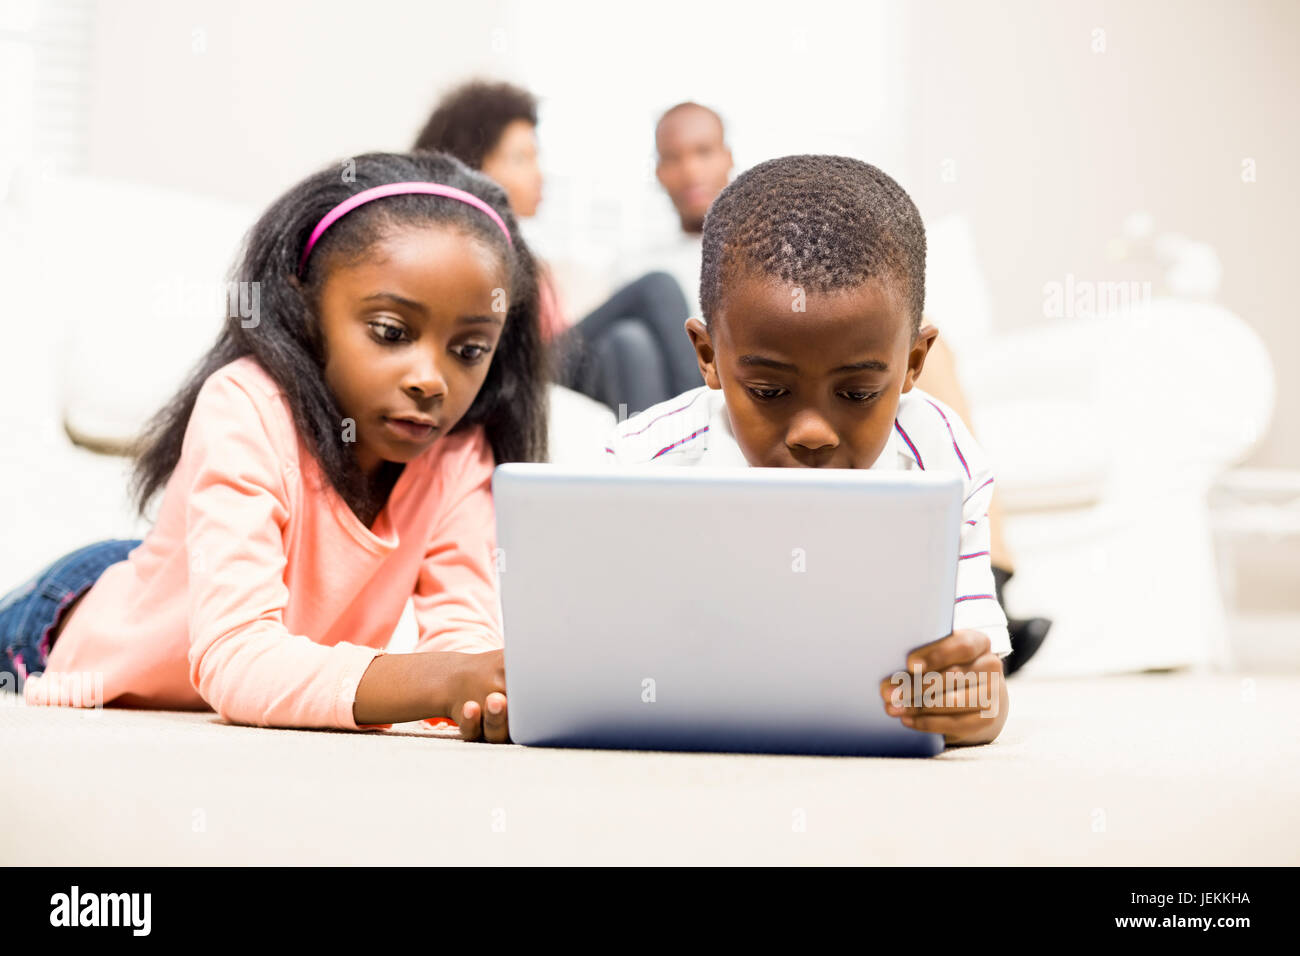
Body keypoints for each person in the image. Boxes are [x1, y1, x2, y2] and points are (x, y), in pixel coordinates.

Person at [1, 151, 548, 741]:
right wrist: (442, 681)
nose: (430, 379)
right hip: (61, 625)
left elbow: (464, 636)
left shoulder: (458, 454)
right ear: (305, 304)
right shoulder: (245, 404)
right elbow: (235, 658)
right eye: (391, 332)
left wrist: (483, 691)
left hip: (193, 574)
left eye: (468, 350)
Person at [603, 155, 1010, 746]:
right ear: (708, 355)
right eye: (769, 391)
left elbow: (980, 673)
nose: (812, 433)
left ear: (913, 365)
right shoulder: (641, 462)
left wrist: (979, 706)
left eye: (857, 392)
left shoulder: (942, 458)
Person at [414, 80, 699, 415]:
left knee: (629, 342)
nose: (539, 175)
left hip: (561, 365)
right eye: (521, 158)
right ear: (472, 169)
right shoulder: (463, 252)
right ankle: (705, 417)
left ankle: (668, 458)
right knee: (658, 287)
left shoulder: (524, 255)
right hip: (520, 366)